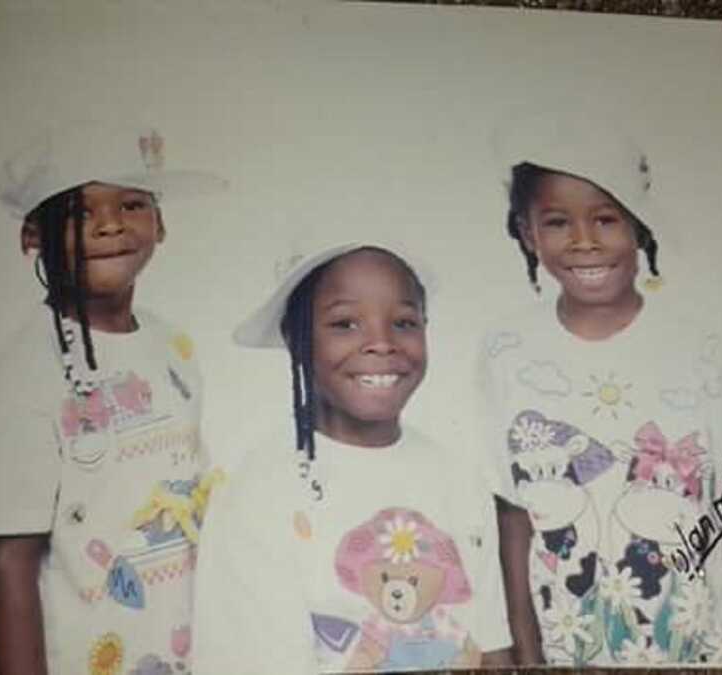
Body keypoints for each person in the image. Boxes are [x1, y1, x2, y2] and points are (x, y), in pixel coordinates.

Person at [480, 121, 722, 666]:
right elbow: (511, 519)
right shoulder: (506, 352)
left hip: (698, 653)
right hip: (567, 652)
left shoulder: (701, 351)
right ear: (527, 233)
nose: (585, 241)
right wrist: (526, 658)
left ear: (639, 227)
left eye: (606, 219)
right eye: (557, 222)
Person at [0, 122, 225, 674]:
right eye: (79, 211)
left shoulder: (171, 345)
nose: (108, 225)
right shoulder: (24, 374)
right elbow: (9, 561)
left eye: (131, 204)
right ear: (33, 234)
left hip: (173, 651)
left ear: (161, 222)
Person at [194, 242, 513, 674]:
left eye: (403, 322)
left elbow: (492, 651)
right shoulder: (259, 491)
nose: (381, 343)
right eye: (345, 324)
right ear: (297, 338)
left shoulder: (458, 476)